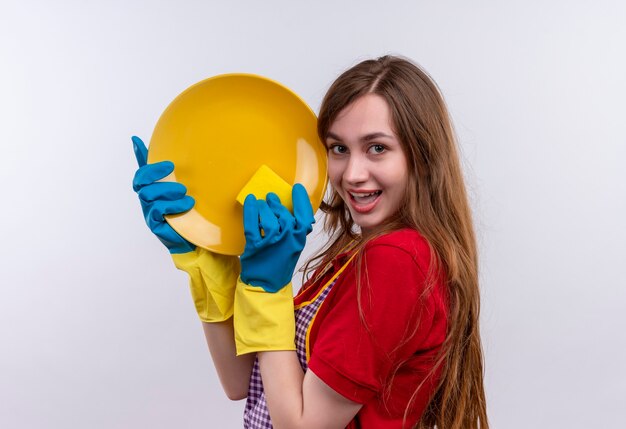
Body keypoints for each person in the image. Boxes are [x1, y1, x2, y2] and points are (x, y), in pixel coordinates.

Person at [132, 55, 489, 428]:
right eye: (338, 148)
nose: (352, 174)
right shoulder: (355, 255)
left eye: (377, 148)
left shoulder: (398, 260)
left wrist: (269, 289)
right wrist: (202, 256)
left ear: (423, 155)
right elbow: (241, 381)